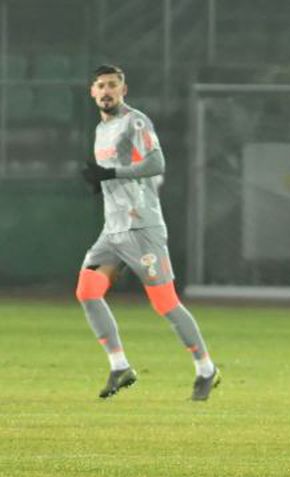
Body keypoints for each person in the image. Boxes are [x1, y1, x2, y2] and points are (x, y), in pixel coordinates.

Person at [77, 64, 220, 401]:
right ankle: (119, 366)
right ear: (92, 92)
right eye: (101, 86)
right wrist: (105, 184)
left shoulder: (135, 121)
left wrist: (110, 174)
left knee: (166, 303)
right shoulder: (102, 128)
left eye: (113, 85)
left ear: (123, 89)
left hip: (142, 228)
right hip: (113, 231)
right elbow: (122, 174)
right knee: (87, 290)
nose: (107, 91)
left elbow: (157, 163)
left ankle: (206, 369)